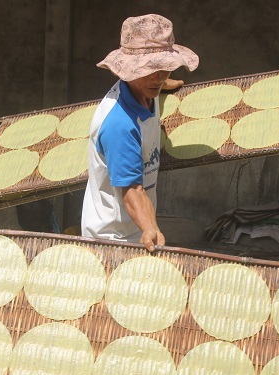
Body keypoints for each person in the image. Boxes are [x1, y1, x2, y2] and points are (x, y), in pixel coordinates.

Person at [81, 14, 199, 252]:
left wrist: (165, 82)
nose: (158, 77)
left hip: (135, 232)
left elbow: (156, 80)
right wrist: (149, 227)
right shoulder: (119, 125)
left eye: (164, 68)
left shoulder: (148, 89)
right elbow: (132, 190)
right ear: (127, 71)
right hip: (113, 240)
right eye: (150, 70)